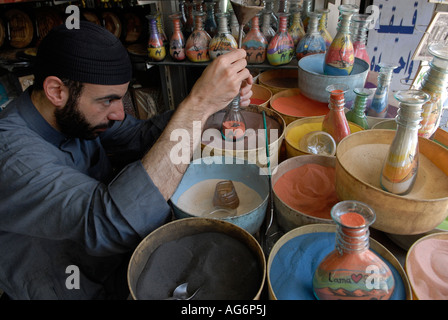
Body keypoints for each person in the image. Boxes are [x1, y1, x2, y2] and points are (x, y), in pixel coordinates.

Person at [0, 21, 253, 299]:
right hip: (66, 285)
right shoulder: (11, 154)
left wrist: (212, 106)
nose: (119, 113)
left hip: (118, 262)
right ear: (57, 91)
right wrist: (199, 104)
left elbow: (141, 136)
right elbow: (111, 223)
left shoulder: (74, 116)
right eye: (107, 101)